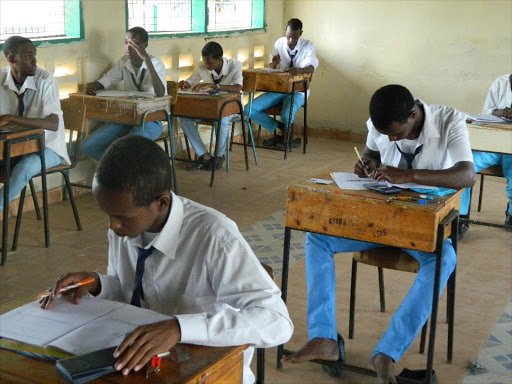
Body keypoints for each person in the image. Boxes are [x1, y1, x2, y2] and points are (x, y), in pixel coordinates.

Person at [40, 135, 293, 384]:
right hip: (146, 365)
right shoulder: (125, 226)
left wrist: (179, 328)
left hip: (209, 372)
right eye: (107, 214)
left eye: (122, 217)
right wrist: (98, 284)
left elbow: (276, 322)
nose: (113, 226)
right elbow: (132, 290)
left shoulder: (215, 237)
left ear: (161, 202)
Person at [283, 85, 475, 383]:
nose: (391, 140)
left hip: (421, 226)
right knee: (317, 236)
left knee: (443, 258)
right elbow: (372, 152)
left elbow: (466, 175)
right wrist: (367, 163)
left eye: (396, 135)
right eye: (385, 134)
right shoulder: (381, 125)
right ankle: (325, 338)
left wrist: (408, 175)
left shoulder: (450, 121)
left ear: (413, 115)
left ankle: (386, 353)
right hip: (379, 221)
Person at [0, 36, 70, 212]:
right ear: (11, 59)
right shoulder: (1, 78)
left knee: (25, 166)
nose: (35, 61)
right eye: (28, 56)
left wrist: (11, 117)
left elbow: (53, 124)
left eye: (35, 55)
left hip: (48, 147)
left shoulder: (46, 80)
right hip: (17, 144)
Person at [80, 27, 167, 161]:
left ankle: (124, 174)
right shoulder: (124, 62)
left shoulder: (156, 63)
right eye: (126, 42)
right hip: (127, 118)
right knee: (87, 146)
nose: (128, 47)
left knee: (128, 149)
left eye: (133, 43)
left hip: (151, 120)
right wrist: (94, 86)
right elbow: (108, 79)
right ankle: (116, 171)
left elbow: (160, 92)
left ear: (145, 45)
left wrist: (146, 59)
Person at [243, 18, 318, 149]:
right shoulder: (279, 43)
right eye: (288, 37)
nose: (291, 41)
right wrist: (273, 64)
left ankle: (285, 137)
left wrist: (299, 70)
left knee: (286, 114)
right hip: (279, 89)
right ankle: (282, 129)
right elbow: (272, 69)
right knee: (249, 109)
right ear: (285, 31)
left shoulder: (308, 46)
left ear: (300, 33)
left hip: (298, 91)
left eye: (294, 38)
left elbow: (311, 67)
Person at [178, 42, 243, 171]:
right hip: (209, 108)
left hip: (231, 107)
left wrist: (215, 86)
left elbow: (238, 88)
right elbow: (191, 82)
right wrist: (185, 84)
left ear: (219, 59)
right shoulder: (202, 66)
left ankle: (219, 156)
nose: (206, 66)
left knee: (222, 118)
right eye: (204, 62)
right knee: (184, 118)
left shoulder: (235, 65)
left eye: (210, 62)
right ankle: (204, 155)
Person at [460, 74, 512, 233]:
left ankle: (511, 213)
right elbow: (486, 111)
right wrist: (501, 112)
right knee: (463, 167)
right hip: (491, 145)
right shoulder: (501, 82)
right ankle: (460, 215)